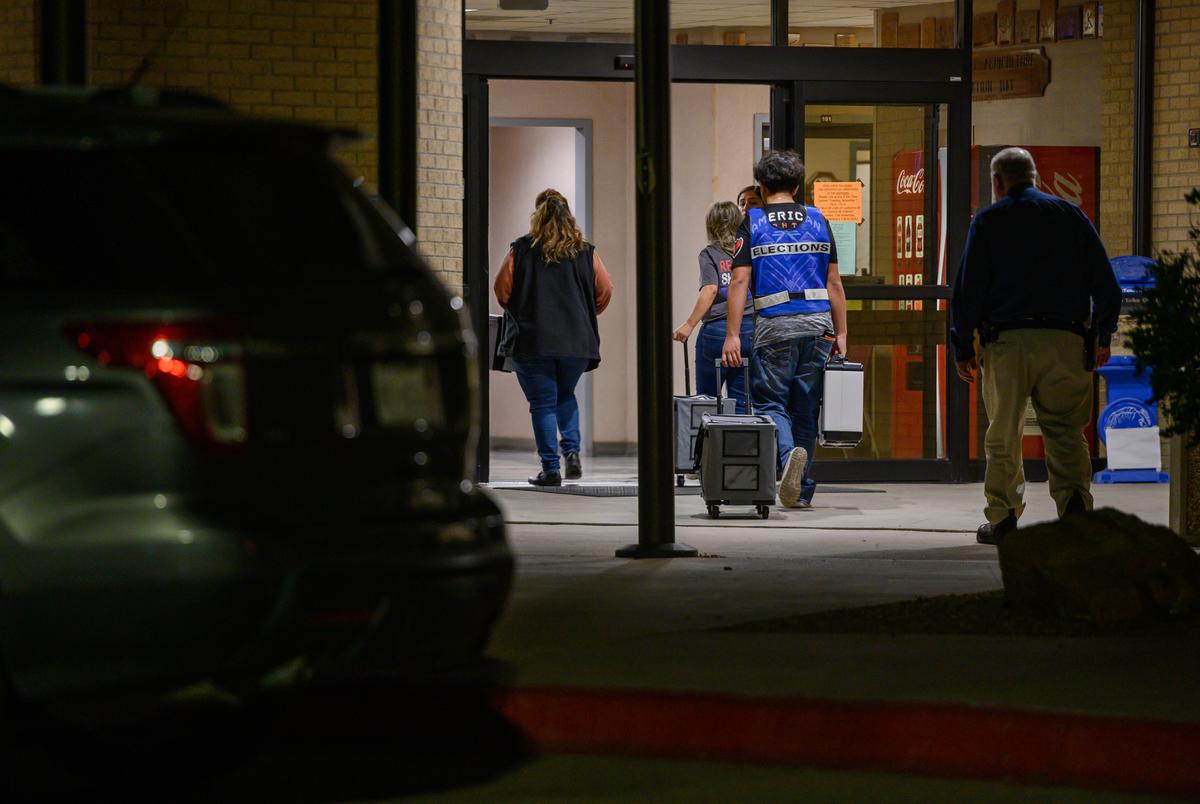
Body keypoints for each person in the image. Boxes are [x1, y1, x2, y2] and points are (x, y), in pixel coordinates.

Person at [950, 147, 1121, 545]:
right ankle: (1075, 509)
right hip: (1067, 339)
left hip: (1007, 342)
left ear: (997, 182)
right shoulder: (1072, 215)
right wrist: (1103, 335)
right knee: (1065, 430)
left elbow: (968, 290)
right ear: (1035, 176)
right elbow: (1107, 286)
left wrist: (963, 345)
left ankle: (1004, 517)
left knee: (1004, 432)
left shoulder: (990, 220)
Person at [722, 150, 848, 509]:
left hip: (776, 327)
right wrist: (841, 333)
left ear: (760, 187)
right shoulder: (819, 219)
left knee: (769, 401)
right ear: (797, 185)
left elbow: (739, 280)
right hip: (818, 326)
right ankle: (802, 489)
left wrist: (733, 334)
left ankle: (789, 457)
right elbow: (835, 282)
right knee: (805, 409)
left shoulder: (754, 222)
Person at [494, 189, 613, 487]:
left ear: (538, 215)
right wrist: (585, 313)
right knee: (564, 394)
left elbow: (501, 290)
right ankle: (571, 452)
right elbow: (606, 289)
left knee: (543, 403)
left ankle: (550, 469)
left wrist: (522, 306)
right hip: (577, 341)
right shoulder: (586, 251)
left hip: (534, 340)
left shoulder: (521, 249)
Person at [672, 201, 755, 412]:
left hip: (717, 331)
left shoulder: (709, 253)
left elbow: (710, 289)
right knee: (741, 399)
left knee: (707, 400)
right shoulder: (748, 251)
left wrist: (689, 325)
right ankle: (739, 444)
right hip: (748, 329)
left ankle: (709, 445)